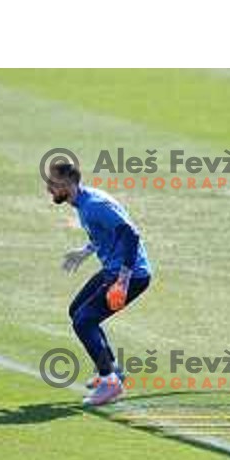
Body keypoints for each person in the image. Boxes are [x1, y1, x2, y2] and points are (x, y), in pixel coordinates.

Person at [46, 160, 152, 406]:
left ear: (69, 184)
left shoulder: (94, 205)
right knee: (76, 311)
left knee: (84, 321)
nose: (49, 189)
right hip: (114, 270)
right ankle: (112, 368)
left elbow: (130, 234)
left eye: (53, 184)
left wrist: (123, 281)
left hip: (130, 274)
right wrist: (85, 252)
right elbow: (105, 233)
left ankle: (110, 383)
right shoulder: (84, 202)